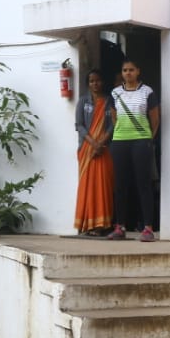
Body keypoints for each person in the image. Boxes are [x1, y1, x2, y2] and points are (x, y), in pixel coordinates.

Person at [107, 59, 161, 242]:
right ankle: (119, 226)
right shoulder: (115, 93)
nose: (128, 73)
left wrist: (148, 138)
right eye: (124, 70)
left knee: (144, 184)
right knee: (120, 185)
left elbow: (155, 118)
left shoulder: (147, 91)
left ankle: (147, 228)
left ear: (138, 71)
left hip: (141, 142)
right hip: (120, 142)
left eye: (131, 69)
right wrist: (122, 133)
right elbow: (114, 118)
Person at [73, 70, 116, 236]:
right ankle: (86, 225)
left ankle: (102, 225)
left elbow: (113, 124)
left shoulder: (109, 102)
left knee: (103, 186)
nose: (95, 84)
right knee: (87, 186)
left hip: (105, 150)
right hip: (87, 150)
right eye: (91, 81)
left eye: (97, 81)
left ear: (102, 82)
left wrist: (101, 142)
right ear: (88, 84)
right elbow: (79, 125)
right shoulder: (83, 102)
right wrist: (93, 143)